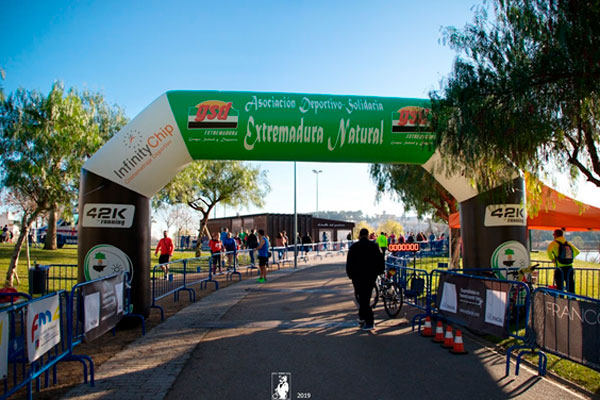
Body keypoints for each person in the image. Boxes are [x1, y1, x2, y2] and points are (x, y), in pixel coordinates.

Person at [346, 228, 384, 331]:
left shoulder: (354, 247)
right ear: (367, 235)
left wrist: (350, 275)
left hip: (357, 276)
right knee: (365, 297)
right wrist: (380, 271)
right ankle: (365, 318)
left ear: (359, 235)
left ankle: (367, 320)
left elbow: (349, 262)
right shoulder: (374, 246)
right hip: (370, 275)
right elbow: (380, 260)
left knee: (361, 297)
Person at [547, 228, 579, 293]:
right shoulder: (568, 243)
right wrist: (570, 257)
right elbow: (577, 251)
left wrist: (552, 259)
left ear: (555, 235)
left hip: (559, 268)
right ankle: (572, 300)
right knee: (571, 286)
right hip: (569, 268)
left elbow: (549, 251)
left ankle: (561, 300)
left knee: (559, 287)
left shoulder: (554, 243)